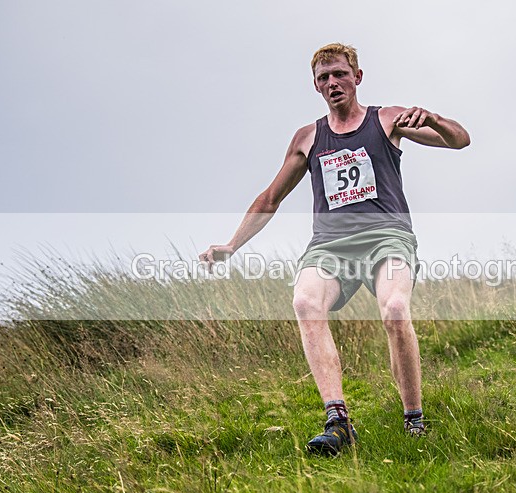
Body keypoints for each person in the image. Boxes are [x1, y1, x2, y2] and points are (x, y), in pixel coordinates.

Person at [199, 43, 470, 456]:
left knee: (395, 311)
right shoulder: (308, 138)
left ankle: (414, 421)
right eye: (324, 78)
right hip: (330, 245)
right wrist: (231, 246)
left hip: (387, 236)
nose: (333, 82)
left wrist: (432, 117)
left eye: (340, 74)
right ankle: (338, 421)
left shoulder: (387, 120)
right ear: (316, 87)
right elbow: (271, 197)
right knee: (305, 302)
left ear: (357, 78)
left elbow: (460, 141)